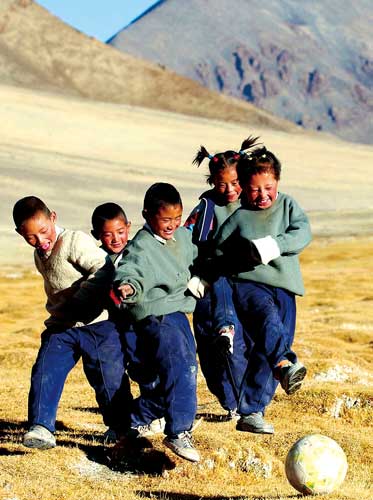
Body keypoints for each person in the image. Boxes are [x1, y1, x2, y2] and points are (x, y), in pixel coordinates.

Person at [13, 196, 132, 449]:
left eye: (43, 231)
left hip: (97, 324)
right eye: (30, 237)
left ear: (53, 217)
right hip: (61, 326)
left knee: (108, 378)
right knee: (46, 371)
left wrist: (80, 300)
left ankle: (120, 428)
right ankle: (41, 427)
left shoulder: (75, 241)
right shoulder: (39, 253)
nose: (40, 241)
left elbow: (103, 269)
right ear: (20, 234)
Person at [212, 138, 311, 433]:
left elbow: (303, 233)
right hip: (250, 287)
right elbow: (218, 251)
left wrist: (269, 246)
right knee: (269, 326)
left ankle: (252, 412)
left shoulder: (288, 206)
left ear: (277, 181)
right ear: (243, 185)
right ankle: (284, 365)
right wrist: (232, 258)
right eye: (254, 189)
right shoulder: (239, 218)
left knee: (271, 342)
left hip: (285, 287)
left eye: (268, 187)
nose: (262, 195)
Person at [112, 183, 200, 462]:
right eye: (166, 219)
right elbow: (131, 270)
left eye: (177, 218)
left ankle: (132, 420)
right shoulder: (141, 245)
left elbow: (200, 258)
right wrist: (127, 287)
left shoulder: (183, 238)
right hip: (156, 314)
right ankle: (179, 431)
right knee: (182, 365)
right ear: (147, 215)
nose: (172, 225)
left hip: (179, 313)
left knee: (181, 374)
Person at [184, 139, 260, 420]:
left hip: (244, 286)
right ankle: (229, 402)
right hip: (207, 285)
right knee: (207, 350)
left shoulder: (256, 204)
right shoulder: (205, 209)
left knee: (238, 347)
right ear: (212, 181)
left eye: (235, 182)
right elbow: (187, 241)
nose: (229, 190)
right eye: (221, 184)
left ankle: (243, 407)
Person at [89, 202, 165, 438]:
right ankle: (119, 423)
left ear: (129, 227)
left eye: (120, 232)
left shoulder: (139, 251)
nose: (115, 239)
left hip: (141, 322)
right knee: (113, 374)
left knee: (147, 367)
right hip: (110, 326)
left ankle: (155, 416)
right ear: (96, 236)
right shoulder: (95, 260)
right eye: (107, 235)